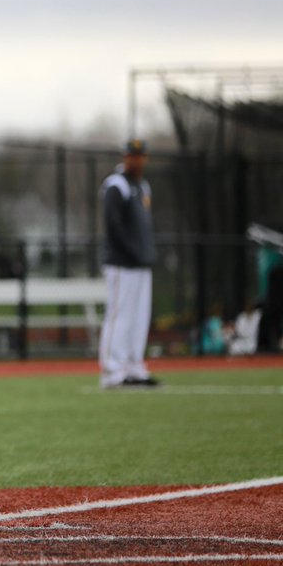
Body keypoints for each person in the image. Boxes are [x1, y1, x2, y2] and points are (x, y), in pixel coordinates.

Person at [98, 138, 159, 388]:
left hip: (141, 263)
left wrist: (146, 253)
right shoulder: (116, 185)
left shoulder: (143, 187)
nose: (136, 160)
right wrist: (133, 252)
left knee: (139, 317)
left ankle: (134, 367)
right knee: (119, 316)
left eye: (140, 155)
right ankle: (113, 371)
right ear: (124, 158)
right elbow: (113, 224)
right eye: (132, 155)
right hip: (121, 264)